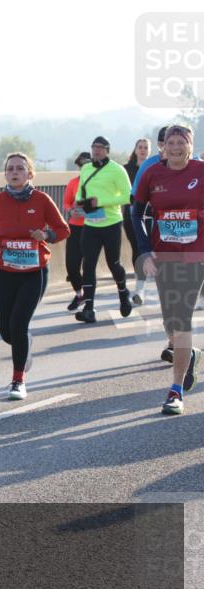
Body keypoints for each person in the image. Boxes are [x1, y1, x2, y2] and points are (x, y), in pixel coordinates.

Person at [0, 153, 70, 400]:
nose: (15, 172)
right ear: (5, 174)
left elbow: (63, 229)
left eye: (20, 169)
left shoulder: (42, 200)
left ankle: (18, 381)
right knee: (7, 332)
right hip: (5, 273)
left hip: (34, 273)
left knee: (18, 323)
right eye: (10, 169)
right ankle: (25, 341)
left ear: (30, 173)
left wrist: (45, 235)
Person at [131, 125, 204, 414]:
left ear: (190, 146)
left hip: (195, 255)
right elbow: (136, 213)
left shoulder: (201, 171)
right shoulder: (151, 173)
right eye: (171, 142)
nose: (175, 147)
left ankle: (175, 391)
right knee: (170, 322)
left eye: (181, 142)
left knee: (182, 318)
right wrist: (145, 250)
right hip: (163, 255)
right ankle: (190, 354)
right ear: (163, 147)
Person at [73, 136, 133, 324]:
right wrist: (79, 202)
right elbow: (81, 191)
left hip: (111, 223)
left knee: (113, 263)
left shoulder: (117, 169)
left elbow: (127, 196)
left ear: (107, 150)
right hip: (91, 223)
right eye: (94, 147)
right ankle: (89, 308)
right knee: (88, 264)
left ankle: (123, 293)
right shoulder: (86, 168)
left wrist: (101, 202)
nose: (96, 150)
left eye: (100, 147)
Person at [123, 138, 152, 304]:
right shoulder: (126, 169)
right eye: (140, 147)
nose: (142, 150)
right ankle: (140, 286)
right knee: (137, 248)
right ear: (135, 150)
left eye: (146, 147)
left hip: (152, 214)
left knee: (150, 249)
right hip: (132, 215)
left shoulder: (154, 167)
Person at [63, 152, 91, 311]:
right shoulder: (73, 183)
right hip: (74, 227)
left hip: (92, 227)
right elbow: (66, 202)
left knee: (88, 266)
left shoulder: (99, 183)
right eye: (81, 165)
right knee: (71, 265)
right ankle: (79, 294)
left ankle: (89, 299)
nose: (84, 167)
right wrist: (70, 210)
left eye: (87, 164)